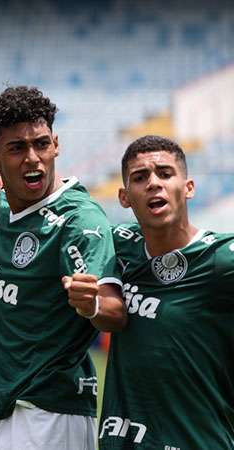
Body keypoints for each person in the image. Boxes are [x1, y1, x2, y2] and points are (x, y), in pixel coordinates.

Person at [0, 86, 126, 450]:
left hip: (46, 413)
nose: (33, 158)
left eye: (41, 144)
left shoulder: (78, 221)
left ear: (56, 143)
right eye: (17, 148)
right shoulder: (12, 199)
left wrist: (93, 306)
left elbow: (114, 312)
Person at [96, 135, 233, 449]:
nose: (154, 183)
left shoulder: (221, 258)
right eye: (140, 177)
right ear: (124, 197)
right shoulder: (117, 247)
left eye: (165, 173)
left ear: (188, 187)